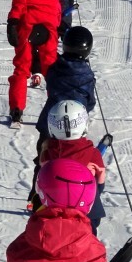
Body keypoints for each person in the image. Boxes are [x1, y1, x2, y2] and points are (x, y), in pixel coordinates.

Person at [26, 26, 96, 209]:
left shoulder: (56, 68)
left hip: (50, 123)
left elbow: (47, 64)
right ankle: (70, 194)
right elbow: (89, 103)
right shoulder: (87, 76)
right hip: (74, 125)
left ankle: (36, 197)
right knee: (74, 160)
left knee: (43, 159)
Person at [40, 100, 107, 235]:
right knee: (85, 242)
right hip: (87, 211)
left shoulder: (47, 154)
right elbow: (100, 182)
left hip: (53, 210)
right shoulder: (93, 155)